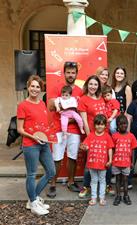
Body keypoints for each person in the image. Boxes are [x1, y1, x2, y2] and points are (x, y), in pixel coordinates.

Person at [17, 75, 55, 215]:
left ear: (41, 89)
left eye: (37, 87)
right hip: (30, 144)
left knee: (51, 171)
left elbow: (43, 126)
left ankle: (33, 198)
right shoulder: (23, 105)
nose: (35, 89)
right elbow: (20, 129)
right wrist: (34, 137)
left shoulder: (42, 104)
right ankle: (33, 203)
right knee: (31, 174)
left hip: (43, 144)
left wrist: (48, 136)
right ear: (28, 87)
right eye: (32, 86)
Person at [47, 61, 83, 198]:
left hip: (74, 129)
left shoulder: (80, 91)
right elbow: (51, 106)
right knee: (57, 157)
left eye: (73, 72)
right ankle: (52, 184)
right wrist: (59, 102)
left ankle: (71, 181)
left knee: (73, 156)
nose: (70, 75)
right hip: (59, 128)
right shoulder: (57, 88)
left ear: (76, 74)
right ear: (64, 73)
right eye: (68, 72)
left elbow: (81, 110)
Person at [77, 75, 107, 198]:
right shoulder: (83, 99)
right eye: (90, 84)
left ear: (98, 86)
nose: (93, 87)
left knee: (104, 160)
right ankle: (86, 186)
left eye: (95, 84)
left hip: (103, 134)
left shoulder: (101, 98)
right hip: (91, 135)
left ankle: (105, 185)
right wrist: (90, 138)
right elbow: (84, 120)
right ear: (87, 85)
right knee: (90, 161)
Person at [80, 114, 114, 206]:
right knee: (94, 180)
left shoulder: (107, 136)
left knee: (102, 180)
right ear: (94, 125)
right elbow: (85, 146)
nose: (100, 126)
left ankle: (102, 198)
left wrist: (110, 160)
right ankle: (93, 198)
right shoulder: (90, 135)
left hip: (103, 164)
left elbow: (110, 149)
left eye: (102, 124)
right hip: (92, 164)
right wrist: (84, 147)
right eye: (98, 124)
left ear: (105, 125)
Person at [111, 114, 137, 206]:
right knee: (118, 180)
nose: (123, 126)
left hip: (126, 162)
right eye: (121, 124)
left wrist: (132, 162)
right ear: (117, 126)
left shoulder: (131, 136)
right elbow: (112, 149)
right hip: (116, 162)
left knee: (125, 180)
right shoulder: (114, 136)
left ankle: (126, 196)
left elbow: (134, 150)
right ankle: (118, 196)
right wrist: (111, 160)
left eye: (125, 124)